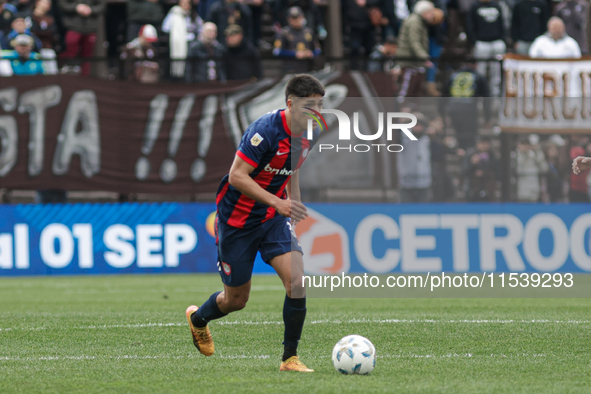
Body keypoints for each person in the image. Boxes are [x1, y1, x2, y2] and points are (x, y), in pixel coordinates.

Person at [185, 74, 324, 373]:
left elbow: (292, 170)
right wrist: (278, 202)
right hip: (237, 221)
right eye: (310, 106)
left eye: (320, 106)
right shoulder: (264, 131)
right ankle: (198, 320)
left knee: (297, 283)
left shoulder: (309, 133)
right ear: (290, 104)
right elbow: (237, 176)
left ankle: (289, 359)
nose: (316, 112)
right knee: (235, 300)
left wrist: (293, 207)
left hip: (272, 219)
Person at [441, 62, 490, 149]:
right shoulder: (478, 76)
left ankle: (462, 152)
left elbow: (443, 95)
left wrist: (442, 113)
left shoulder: (454, 75)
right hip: (469, 109)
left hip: (454, 108)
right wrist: (488, 117)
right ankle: (468, 155)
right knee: (470, 136)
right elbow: (487, 97)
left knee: (460, 135)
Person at [396, 1, 437, 98]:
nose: (432, 15)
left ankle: (412, 109)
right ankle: (403, 109)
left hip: (415, 61)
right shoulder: (415, 22)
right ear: (425, 12)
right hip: (409, 61)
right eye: (431, 12)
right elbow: (414, 42)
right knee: (407, 88)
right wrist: (424, 58)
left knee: (416, 87)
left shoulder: (420, 22)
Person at [466, 0, 505, 96]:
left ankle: (495, 96)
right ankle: (479, 95)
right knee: (481, 71)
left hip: (496, 42)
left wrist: (502, 39)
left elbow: (502, 23)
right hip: (482, 42)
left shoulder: (496, 6)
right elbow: (470, 25)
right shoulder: (474, 6)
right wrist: (474, 40)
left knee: (496, 72)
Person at [57, 0, 105, 76]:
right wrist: (76, 7)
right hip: (72, 26)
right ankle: (68, 76)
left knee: (87, 57)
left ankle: (85, 79)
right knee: (70, 52)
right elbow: (62, 4)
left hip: (90, 27)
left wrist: (91, 10)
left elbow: (102, 5)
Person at [162, 0, 203, 78]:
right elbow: (165, 28)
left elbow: (200, 29)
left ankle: (191, 75)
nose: (186, 5)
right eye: (183, 3)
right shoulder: (173, 14)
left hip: (192, 42)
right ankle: (177, 76)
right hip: (178, 43)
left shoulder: (194, 16)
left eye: (188, 3)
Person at [273, 6, 320, 73]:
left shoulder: (309, 32)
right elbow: (276, 51)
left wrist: (311, 53)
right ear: (289, 19)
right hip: (290, 68)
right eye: (293, 18)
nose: (296, 20)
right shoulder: (283, 33)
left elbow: (318, 49)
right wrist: (294, 54)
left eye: (298, 17)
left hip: (308, 67)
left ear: (302, 17)